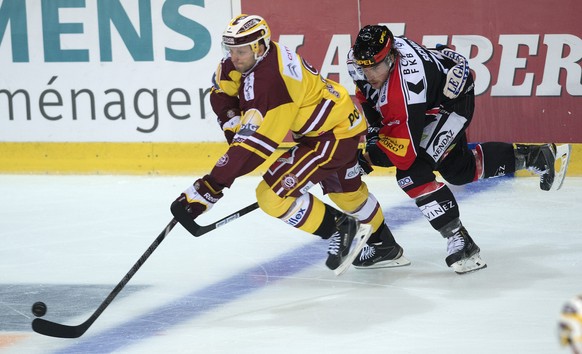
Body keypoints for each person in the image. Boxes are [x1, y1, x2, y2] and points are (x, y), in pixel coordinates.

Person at [170, 15, 410, 274]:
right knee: (347, 194)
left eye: (240, 51)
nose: (234, 57)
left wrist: (209, 187)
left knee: (271, 196)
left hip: (330, 136)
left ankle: (341, 227)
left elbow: (254, 148)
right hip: (337, 122)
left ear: (259, 47)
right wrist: (231, 120)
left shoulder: (270, 83)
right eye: (231, 50)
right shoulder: (253, 58)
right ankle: (384, 245)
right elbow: (221, 89)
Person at [347, 25, 571, 274]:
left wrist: (367, 157)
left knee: (412, 173)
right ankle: (535, 156)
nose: (368, 73)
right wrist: (373, 140)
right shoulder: (359, 62)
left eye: (375, 66)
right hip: (435, 91)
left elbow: (403, 154)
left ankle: (461, 241)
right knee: (459, 170)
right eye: (364, 66)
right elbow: (367, 95)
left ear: (391, 57)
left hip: (451, 102)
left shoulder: (405, 88)